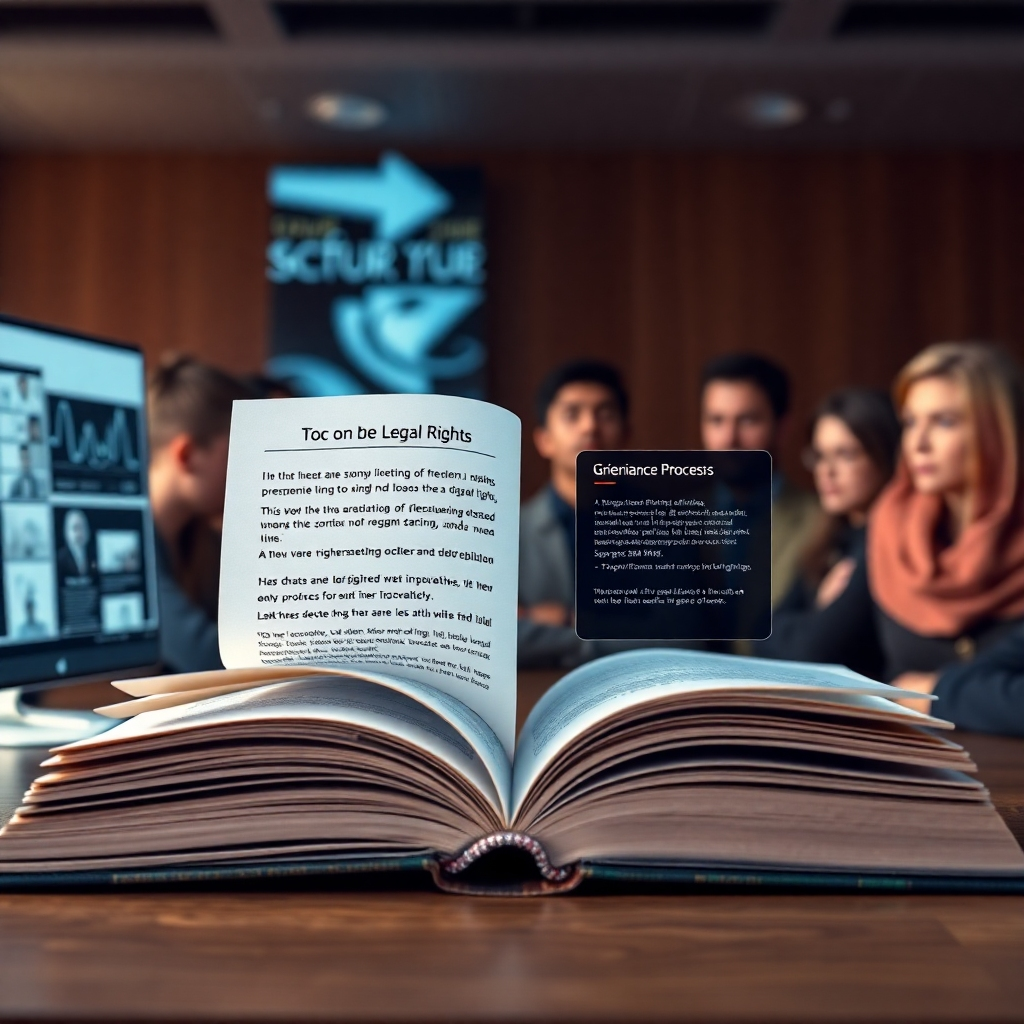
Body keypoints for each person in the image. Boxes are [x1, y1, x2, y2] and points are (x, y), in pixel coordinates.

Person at [862, 344, 1024, 722]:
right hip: (906, 753)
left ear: (996, 433)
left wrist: (938, 693)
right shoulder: (892, 523)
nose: (918, 444)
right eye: (910, 422)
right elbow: (808, 651)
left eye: (944, 422)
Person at [760, 389, 901, 677]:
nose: (827, 471)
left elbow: (812, 652)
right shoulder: (831, 536)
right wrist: (819, 610)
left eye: (845, 455)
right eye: (820, 456)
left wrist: (809, 619)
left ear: (884, 455)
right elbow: (761, 635)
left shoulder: (885, 540)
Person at [518, 361, 630, 668]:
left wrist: (566, 619)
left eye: (605, 414)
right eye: (572, 414)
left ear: (626, 434)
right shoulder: (507, 533)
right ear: (544, 439)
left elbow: (682, 638)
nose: (589, 426)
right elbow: (490, 639)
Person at [148, 355, 253, 674]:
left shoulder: (198, 539)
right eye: (239, 453)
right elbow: (206, 658)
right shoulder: (130, 551)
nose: (251, 472)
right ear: (187, 455)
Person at [699, 353, 821, 609]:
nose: (729, 438)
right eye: (716, 420)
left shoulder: (821, 522)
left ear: (782, 427)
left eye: (748, 420)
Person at [56, 509, 96, 582]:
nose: (79, 533)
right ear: (67, 532)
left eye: (82, 527)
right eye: (75, 528)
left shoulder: (93, 555)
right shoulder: (60, 558)